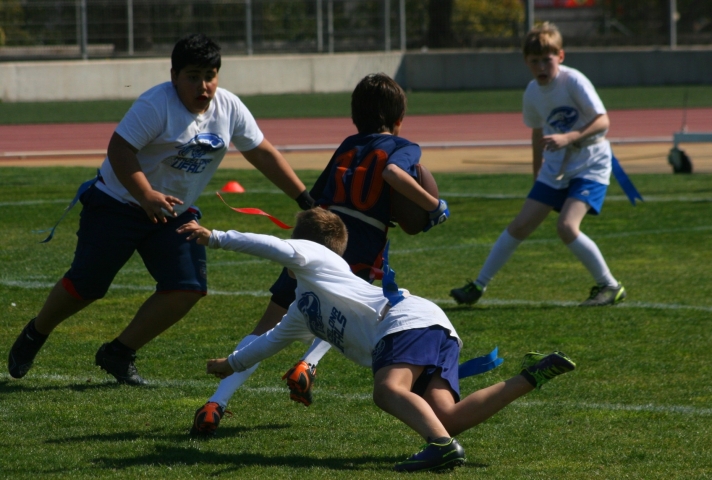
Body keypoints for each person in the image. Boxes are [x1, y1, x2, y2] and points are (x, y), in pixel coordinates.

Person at [7, 33, 314, 385]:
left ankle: (119, 352)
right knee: (88, 284)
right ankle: (36, 332)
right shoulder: (156, 104)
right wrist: (146, 195)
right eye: (192, 76)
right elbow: (119, 150)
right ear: (174, 76)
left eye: (210, 75)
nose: (203, 85)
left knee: (187, 287)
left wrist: (305, 199)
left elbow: (261, 152)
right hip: (117, 204)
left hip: (173, 213)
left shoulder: (229, 107)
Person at [177, 208, 576, 472]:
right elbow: (267, 343)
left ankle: (440, 447)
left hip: (403, 322)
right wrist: (228, 365)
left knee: (387, 391)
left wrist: (215, 237)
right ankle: (532, 376)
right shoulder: (301, 309)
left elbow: (276, 246)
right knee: (447, 417)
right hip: (430, 325)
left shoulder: (315, 256)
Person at [188, 73, 450, 436]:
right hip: (357, 241)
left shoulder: (347, 144)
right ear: (399, 118)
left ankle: (217, 402)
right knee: (342, 311)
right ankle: (307, 364)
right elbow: (393, 174)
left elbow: (317, 195)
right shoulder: (403, 146)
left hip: (318, 236)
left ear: (355, 117)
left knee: (268, 324)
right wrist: (433, 205)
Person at [450, 22, 626, 307]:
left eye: (547, 59)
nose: (542, 66)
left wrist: (569, 137)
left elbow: (603, 120)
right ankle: (478, 286)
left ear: (561, 56)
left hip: (590, 162)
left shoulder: (573, 81)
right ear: (526, 62)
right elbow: (536, 133)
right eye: (535, 61)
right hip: (555, 166)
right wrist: (537, 175)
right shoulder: (532, 92)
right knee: (520, 226)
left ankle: (610, 286)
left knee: (566, 226)